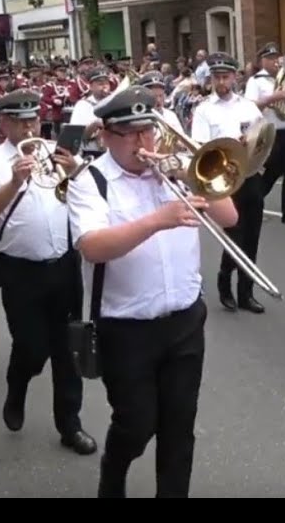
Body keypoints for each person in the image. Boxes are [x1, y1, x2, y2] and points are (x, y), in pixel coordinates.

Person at [67, 86, 238, 497]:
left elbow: (230, 218)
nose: (143, 143)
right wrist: (157, 220)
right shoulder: (89, 182)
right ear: (106, 135)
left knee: (179, 428)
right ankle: (114, 470)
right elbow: (92, 246)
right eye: (130, 133)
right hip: (125, 327)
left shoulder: (175, 174)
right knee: (137, 424)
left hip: (184, 319)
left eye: (149, 131)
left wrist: (189, 174)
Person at [0, 89, 97, 455]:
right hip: (20, 271)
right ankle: (18, 385)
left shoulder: (56, 152)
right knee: (32, 347)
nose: (28, 126)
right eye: (19, 120)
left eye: (33, 118)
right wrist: (13, 182)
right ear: (2, 123)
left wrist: (76, 170)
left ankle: (70, 424)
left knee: (69, 349)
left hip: (65, 266)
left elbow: (88, 200)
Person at [189, 52, 268, 313]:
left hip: (249, 174)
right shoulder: (203, 109)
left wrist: (254, 148)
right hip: (223, 180)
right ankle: (225, 279)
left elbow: (262, 136)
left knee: (253, 236)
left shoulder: (247, 106)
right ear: (210, 79)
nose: (221, 83)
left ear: (235, 77)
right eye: (216, 78)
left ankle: (247, 292)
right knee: (235, 233)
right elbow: (199, 147)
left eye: (226, 77)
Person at [243, 44, 285, 227]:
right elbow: (250, 106)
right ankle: (253, 202)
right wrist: (273, 97)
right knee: (272, 170)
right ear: (262, 60)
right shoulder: (256, 81)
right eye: (270, 58)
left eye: (276, 58)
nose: (274, 61)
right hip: (269, 131)